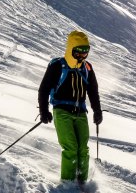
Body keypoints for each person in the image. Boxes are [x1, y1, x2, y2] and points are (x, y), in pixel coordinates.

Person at [38, 31, 103, 183]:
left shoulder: (87, 68)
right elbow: (44, 89)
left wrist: (97, 110)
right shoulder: (57, 65)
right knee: (71, 148)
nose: (82, 56)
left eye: (85, 52)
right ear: (71, 49)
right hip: (61, 110)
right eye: (78, 52)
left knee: (83, 149)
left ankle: (82, 181)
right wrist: (44, 110)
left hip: (80, 112)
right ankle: (67, 183)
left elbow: (93, 91)